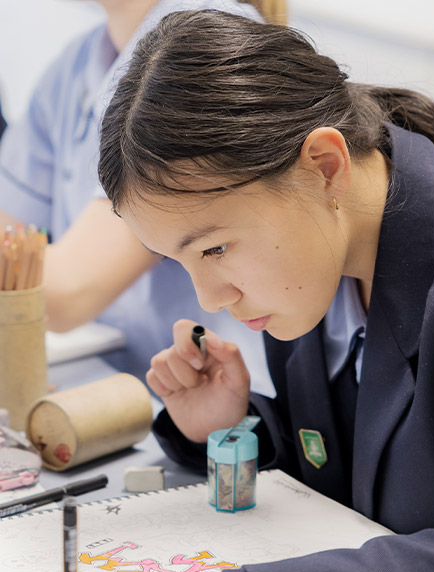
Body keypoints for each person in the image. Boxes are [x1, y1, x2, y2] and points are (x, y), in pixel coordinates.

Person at [27, 5, 434, 572]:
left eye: (215, 247)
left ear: (323, 165)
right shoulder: (321, 268)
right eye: (178, 263)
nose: (211, 298)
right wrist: (232, 432)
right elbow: (371, 475)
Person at [0, 0, 283, 390]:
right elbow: (9, 235)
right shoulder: (76, 63)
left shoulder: (199, 45)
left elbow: (62, 291)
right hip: (120, 390)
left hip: (222, 403)